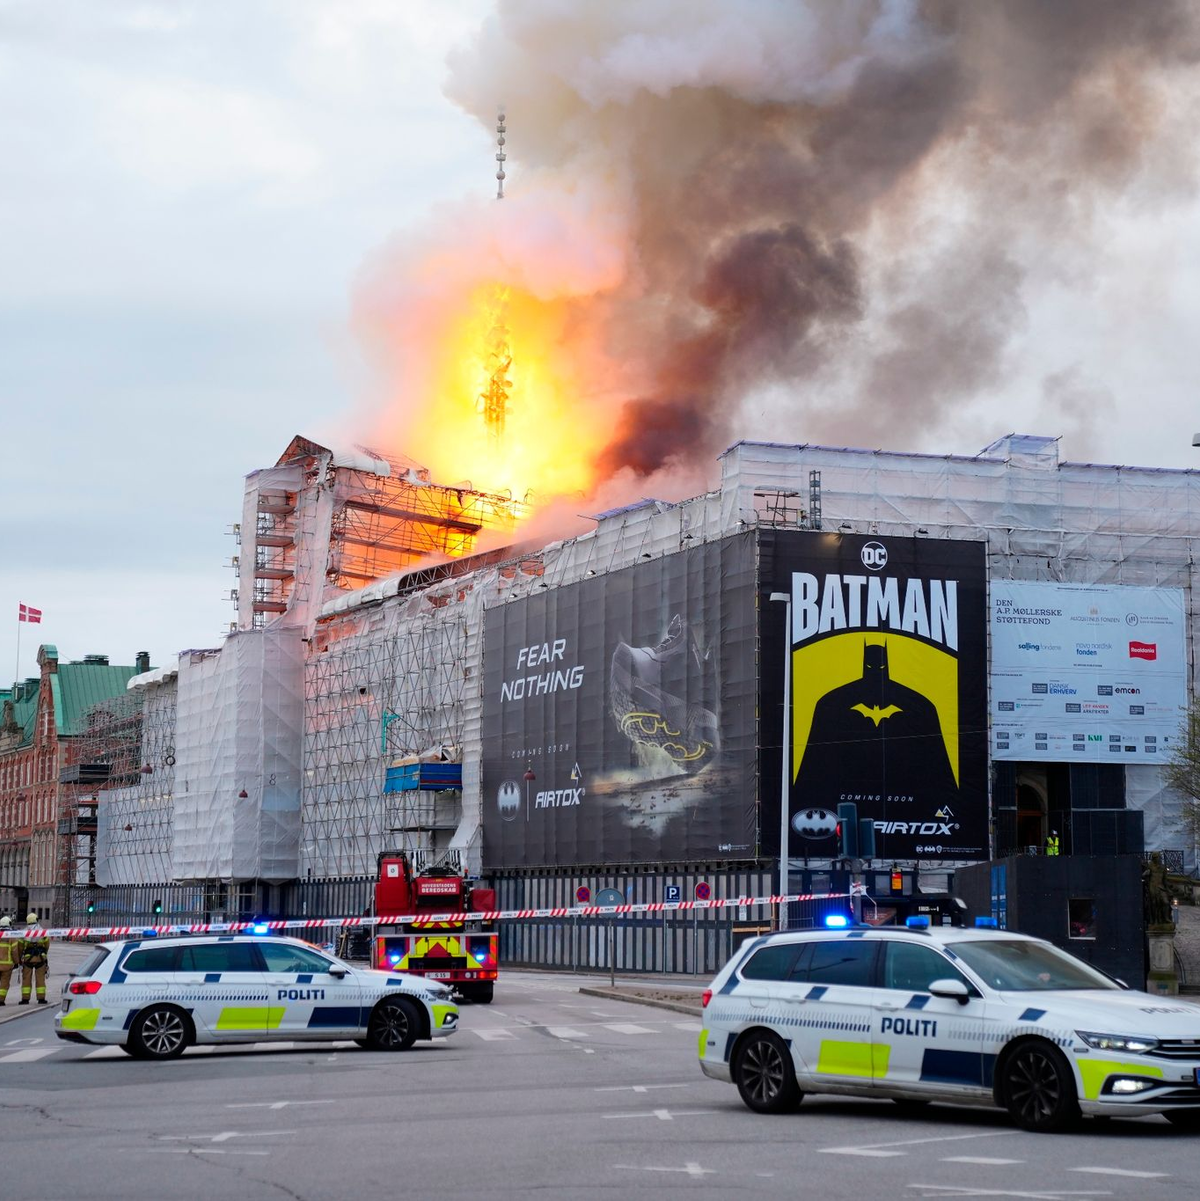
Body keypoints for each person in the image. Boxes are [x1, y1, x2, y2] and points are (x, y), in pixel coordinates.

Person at [17, 912, 49, 1005]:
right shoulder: (42, 931)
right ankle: (41, 999)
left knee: (26, 979)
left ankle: (25, 999)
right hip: (40, 958)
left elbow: (20, 947)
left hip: (28, 959)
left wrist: (20, 959)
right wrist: (44, 954)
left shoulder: (24, 932)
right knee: (40, 979)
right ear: (37, 920)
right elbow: (47, 944)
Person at [0, 916, 15, 1005]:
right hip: (7, 966)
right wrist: (17, 962)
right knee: (4, 984)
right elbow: (15, 951)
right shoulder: (11, 936)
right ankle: (1, 1000)